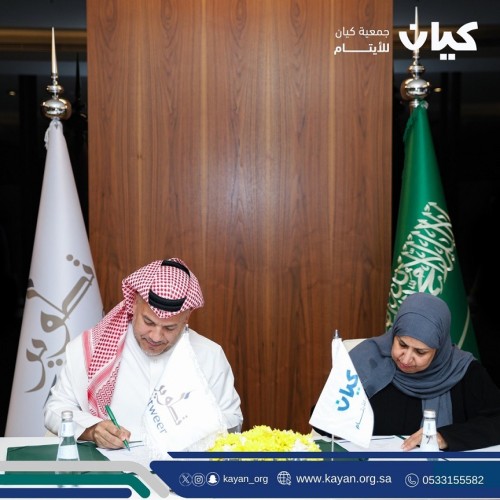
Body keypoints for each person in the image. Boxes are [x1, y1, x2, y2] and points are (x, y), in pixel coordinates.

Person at [44, 258, 243, 450]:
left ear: (187, 317)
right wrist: (92, 430)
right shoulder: (88, 348)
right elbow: (55, 408)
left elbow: (233, 420)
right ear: (134, 304)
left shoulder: (209, 355)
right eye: (148, 322)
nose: (156, 336)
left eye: (170, 328)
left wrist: (191, 431)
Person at [313, 292, 500, 451]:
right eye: (402, 344)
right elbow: (324, 420)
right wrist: (335, 418)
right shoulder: (365, 359)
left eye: (420, 352)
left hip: (440, 478)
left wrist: (445, 437)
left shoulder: (464, 372)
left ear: (439, 349)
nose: (406, 358)